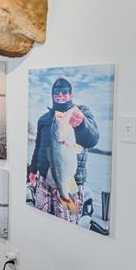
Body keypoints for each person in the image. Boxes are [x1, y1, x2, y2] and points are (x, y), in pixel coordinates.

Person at [27, 77, 100, 221]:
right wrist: (32, 170)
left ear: (71, 94)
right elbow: (38, 146)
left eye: (65, 91)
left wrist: (81, 124)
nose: (60, 94)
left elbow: (93, 139)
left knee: (68, 225)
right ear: (52, 95)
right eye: (56, 91)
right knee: (40, 220)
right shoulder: (43, 119)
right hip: (44, 180)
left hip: (70, 180)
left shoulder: (81, 112)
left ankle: (67, 200)